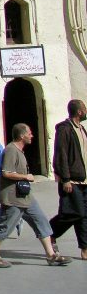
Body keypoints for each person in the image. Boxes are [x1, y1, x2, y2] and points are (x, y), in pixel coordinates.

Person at [0, 124, 71, 268]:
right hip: (13, 198)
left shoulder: (19, 151)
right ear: (21, 136)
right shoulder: (11, 150)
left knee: (41, 221)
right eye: (29, 133)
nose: (32, 136)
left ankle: (51, 255)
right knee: (5, 226)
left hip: (25, 197)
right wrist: (27, 177)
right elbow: (6, 172)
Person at [49, 99, 87, 260]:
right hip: (72, 180)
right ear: (79, 111)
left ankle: (85, 250)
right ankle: (49, 232)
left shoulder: (82, 129)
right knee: (74, 212)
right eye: (84, 108)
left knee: (84, 215)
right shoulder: (64, 129)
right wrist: (65, 179)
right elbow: (61, 155)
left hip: (84, 180)